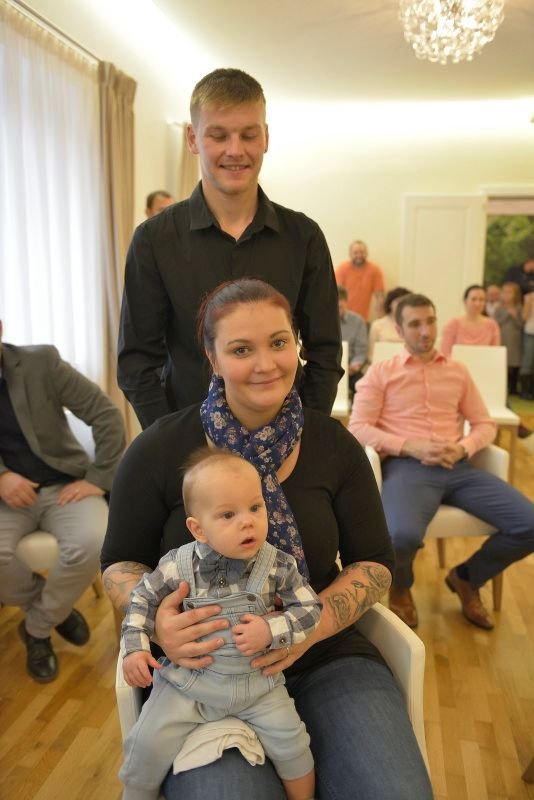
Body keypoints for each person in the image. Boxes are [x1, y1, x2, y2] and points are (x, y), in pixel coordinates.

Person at [103, 278, 432, 799]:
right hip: (203, 671)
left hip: (325, 656)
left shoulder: (334, 444)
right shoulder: (158, 450)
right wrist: (161, 626)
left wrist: (306, 630)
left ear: (295, 345)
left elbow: (374, 563)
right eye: (241, 349)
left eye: (279, 342)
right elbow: (121, 563)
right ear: (211, 357)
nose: (265, 364)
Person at [118, 68, 341, 430]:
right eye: (219, 136)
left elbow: (325, 353)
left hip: (288, 441)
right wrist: (171, 443)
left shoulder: (305, 237)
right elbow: (137, 365)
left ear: (265, 137)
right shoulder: (153, 240)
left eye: (248, 135)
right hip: (189, 445)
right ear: (193, 138)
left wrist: (307, 434)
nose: (235, 150)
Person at [120, 448, 321, 800]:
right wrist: (135, 647)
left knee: (294, 745)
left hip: (259, 685)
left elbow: (310, 607)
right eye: (228, 514)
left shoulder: (278, 564)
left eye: (255, 508)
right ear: (198, 528)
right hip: (189, 685)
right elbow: (141, 600)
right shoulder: (178, 565)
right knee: (145, 746)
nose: (248, 522)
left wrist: (272, 630)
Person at [349, 293, 534, 631]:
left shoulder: (457, 371)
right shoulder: (381, 373)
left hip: (458, 468)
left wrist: (464, 447)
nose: (425, 331)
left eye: (430, 321)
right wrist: (410, 446)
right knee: (399, 536)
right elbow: (358, 427)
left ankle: (467, 578)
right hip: (408, 468)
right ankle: (401, 586)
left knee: (529, 523)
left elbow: (485, 424)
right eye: (415, 324)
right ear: (399, 330)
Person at [0, 322, 125, 682]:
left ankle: (37, 629)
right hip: (5, 498)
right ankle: (56, 612)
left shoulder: (41, 362)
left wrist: (98, 478)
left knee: (93, 541)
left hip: (65, 485)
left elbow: (105, 414)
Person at [440, 284, 501, 357]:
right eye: (473, 299)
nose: (477, 303)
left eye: (481, 300)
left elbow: (495, 354)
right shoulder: (453, 325)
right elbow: (445, 354)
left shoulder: (492, 325)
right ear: (465, 301)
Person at [334, 240, 385, 321]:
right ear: (350, 254)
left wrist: (381, 320)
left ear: (366, 253)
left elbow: (380, 298)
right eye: (356, 252)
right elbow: (335, 295)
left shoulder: (374, 270)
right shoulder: (342, 269)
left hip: (363, 320)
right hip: (342, 319)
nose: (359, 255)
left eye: (362, 252)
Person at [493, 283, 523, 395]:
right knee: (503, 362)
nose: (506, 295)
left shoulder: (519, 308)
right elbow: (495, 323)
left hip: (515, 340)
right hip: (502, 338)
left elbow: (520, 325)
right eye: (504, 292)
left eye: (510, 292)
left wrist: (514, 316)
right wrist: (507, 315)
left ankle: (513, 387)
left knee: (514, 363)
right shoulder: (498, 308)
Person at [337, 285, 367, 395]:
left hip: (350, 370)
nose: (338, 306)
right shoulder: (320, 320)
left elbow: (361, 350)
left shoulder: (358, 321)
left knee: (363, 387)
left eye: (341, 301)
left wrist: (354, 366)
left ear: (346, 302)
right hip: (325, 369)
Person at [367, 286, 411, 361]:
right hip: (382, 364)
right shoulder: (377, 325)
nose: (401, 305)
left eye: (405, 302)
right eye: (398, 302)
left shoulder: (413, 324)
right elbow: (371, 354)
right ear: (390, 303)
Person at [520, 290, 534, 400]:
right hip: (530, 333)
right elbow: (524, 317)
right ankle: (524, 391)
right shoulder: (529, 297)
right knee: (527, 362)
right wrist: (528, 303)